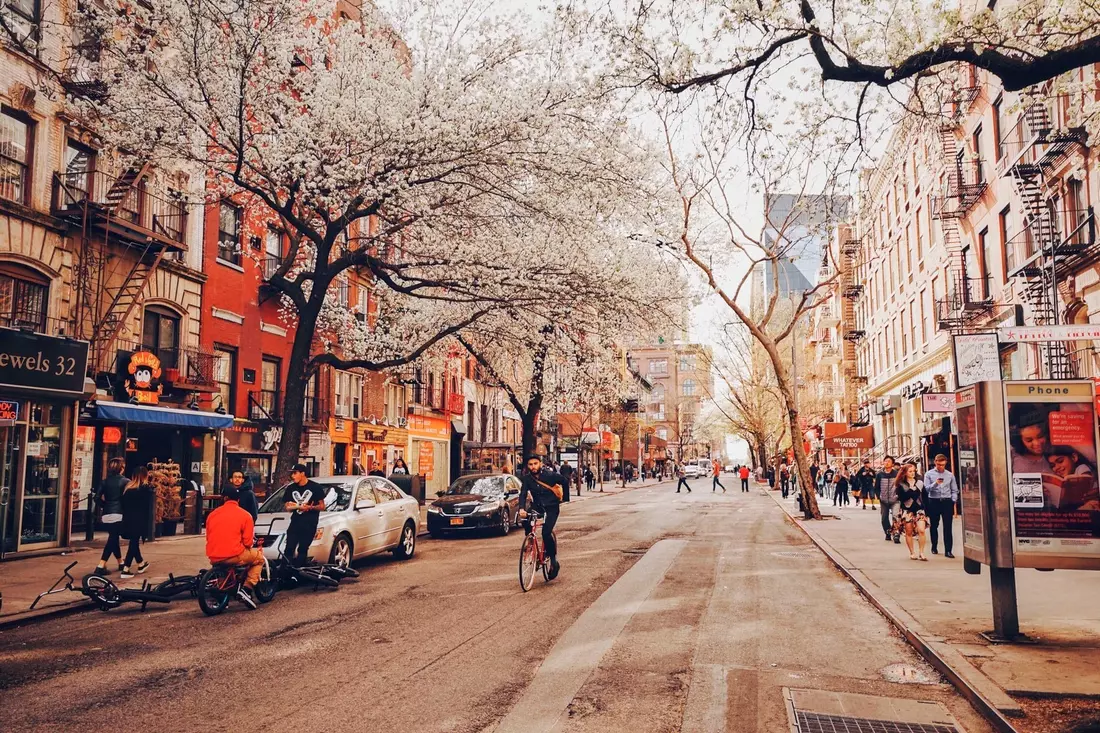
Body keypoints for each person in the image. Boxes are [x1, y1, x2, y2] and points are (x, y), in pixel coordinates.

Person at [205, 485, 265, 609]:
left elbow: (208, 536)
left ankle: (222, 598)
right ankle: (247, 589)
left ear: (224, 498)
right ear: (238, 500)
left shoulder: (212, 515)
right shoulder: (245, 515)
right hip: (234, 555)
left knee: (223, 569)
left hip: (214, 555)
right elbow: (248, 542)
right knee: (259, 559)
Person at [517, 455, 565, 579]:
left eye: (535, 463)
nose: (533, 467)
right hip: (537, 506)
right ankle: (530, 541)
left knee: (546, 532)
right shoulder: (527, 479)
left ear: (540, 464)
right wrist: (521, 508)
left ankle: (553, 561)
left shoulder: (550, 475)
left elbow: (564, 480)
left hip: (552, 507)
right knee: (525, 519)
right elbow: (523, 494)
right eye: (530, 464)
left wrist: (564, 499)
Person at [281, 463, 327, 566]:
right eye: (292, 474)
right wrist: (298, 507)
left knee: (302, 549)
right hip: (295, 523)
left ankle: (299, 572)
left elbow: (322, 506)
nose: (293, 476)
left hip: (309, 523)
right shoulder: (291, 488)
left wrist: (311, 507)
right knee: (289, 548)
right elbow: (288, 507)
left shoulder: (315, 487)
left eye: (295, 473)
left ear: (302, 473)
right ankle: (285, 573)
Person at [94, 458, 128, 576]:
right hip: (119, 514)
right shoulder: (125, 481)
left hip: (106, 514)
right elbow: (128, 498)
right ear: (121, 468)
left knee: (113, 538)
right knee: (112, 539)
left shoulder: (104, 481)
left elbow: (96, 498)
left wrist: (105, 505)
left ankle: (121, 562)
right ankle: (101, 565)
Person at [119, 466, 153, 579]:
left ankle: (141, 563)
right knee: (133, 543)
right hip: (139, 519)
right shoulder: (145, 489)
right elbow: (147, 507)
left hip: (128, 518)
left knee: (134, 542)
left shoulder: (127, 488)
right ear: (145, 475)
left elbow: (123, 505)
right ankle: (126, 568)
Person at [923, 453, 959, 558]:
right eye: (939, 464)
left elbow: (954, 489)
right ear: (935, 463)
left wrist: (953, 500)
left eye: (942, 465)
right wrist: (935, 484)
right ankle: (934, 546)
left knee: (948, 526)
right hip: (934, 501)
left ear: (945, 463)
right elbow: (926, 489)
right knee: (934, 525)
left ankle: (948, 550)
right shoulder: (929, 474)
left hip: (946, 501)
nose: (940, 467)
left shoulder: (950, 475)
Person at [896, 462, 929, 561]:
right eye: (910, 471)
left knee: (921, 530)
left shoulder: (920, 483)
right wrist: (912, 491)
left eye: (913, 471)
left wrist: (927, 510)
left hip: (919, 509)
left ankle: (922, 552)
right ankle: (912, 552)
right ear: (905, 473)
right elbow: (902, 498)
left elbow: (925, 497)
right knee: (909, 531)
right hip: (907, 510)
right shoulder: (901, 485)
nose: (912, 473)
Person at [877, 456, 901, 543]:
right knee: (884, 518)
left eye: (889, 461)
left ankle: (896, 534)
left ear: (892, 464)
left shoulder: (896, 474)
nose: (886, 463)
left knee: (895, 516)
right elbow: (876, 487)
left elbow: (900, 486)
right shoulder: (879, 474)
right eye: (885, 461)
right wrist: (879, 496)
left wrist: (898, 495)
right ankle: (887, 532)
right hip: (883, 500)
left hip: (895, 499)